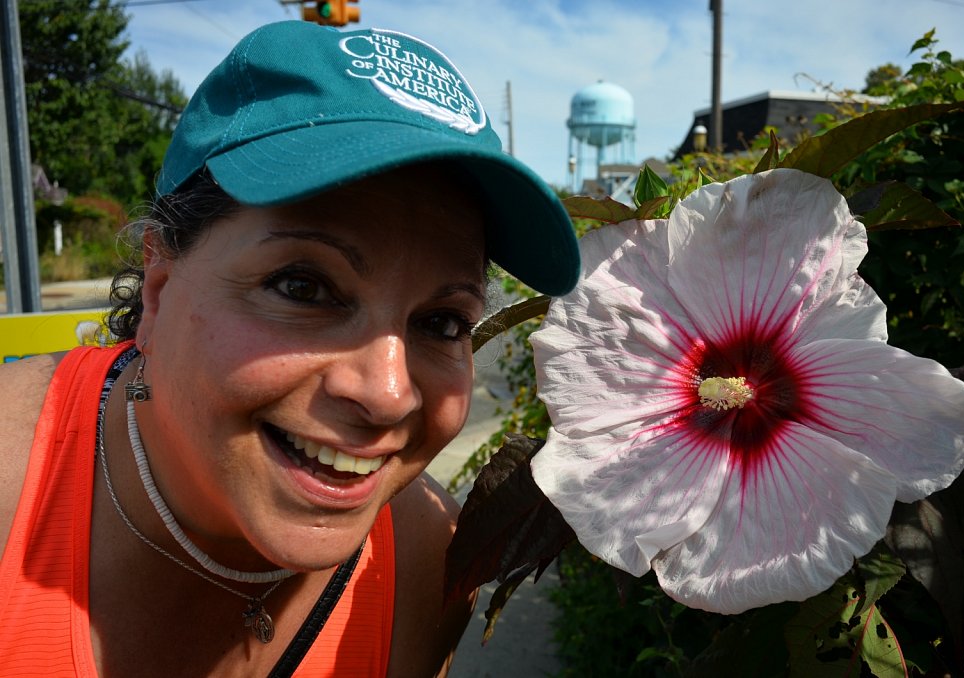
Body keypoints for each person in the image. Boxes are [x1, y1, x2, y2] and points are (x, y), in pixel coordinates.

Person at [0, 21, 579, 677]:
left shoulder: (423, 559)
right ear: (157, 292)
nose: (388, 393)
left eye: (443, 322)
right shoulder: (13, 483)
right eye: (303, 287)